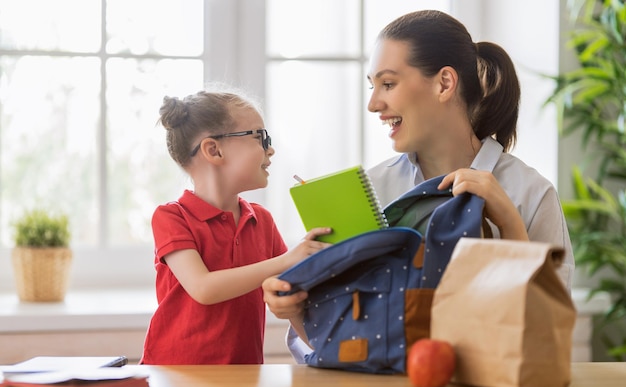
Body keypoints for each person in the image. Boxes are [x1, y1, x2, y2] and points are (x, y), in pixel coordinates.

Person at [262, 9, 574, 363]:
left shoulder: (529, 194)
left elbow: (548, 334)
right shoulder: (373, 190)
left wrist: (509, 223)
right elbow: (338, 342)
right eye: (372, 86)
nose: (373, 103)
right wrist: (294, 310)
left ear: (444, 83)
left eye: (388, 84)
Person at [140, 88, 331, 365]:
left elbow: (289, 296)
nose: (271, 149)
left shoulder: (262, 221)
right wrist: (287, 259)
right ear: (214, 150)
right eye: (260, 137)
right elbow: (204, 288)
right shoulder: (172, 217)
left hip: (244, 378)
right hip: (174, 379)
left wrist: (328, 349)